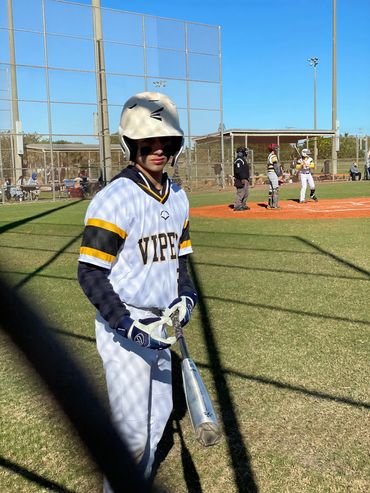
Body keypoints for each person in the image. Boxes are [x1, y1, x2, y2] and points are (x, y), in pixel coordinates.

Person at [77, 91, 197, 490]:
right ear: (131, 144)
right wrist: (126, 325)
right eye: (149, 141)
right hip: (125, 329)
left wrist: (187, 296)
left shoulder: (178, 197)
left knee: (158, 420)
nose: (158, 149)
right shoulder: (114, 199)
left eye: (166, 141)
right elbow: (90, 274)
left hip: (163, 328)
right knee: (130, 436)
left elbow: (181, 262)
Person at [233, 146, 250, 211]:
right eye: (245, 151)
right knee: (241, 193)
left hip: (245, 179)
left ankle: (243, 205)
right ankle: (237, 206)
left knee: (246, 193)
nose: (246, 153)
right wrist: (242, 178)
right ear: (241, 152)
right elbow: (238, 170)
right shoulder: (239, 160)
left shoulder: (242, 159)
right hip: (240, 179)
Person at [266, 143, 283, 209]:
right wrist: (279, 175)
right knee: (275, 189)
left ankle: (269, 204)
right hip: (273, 173)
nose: (277, 149)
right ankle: (274, 205)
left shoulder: (269, 155)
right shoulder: (273, 156)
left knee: (271, 189)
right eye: (276, 148)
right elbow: (275, 166)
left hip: (270, 173)